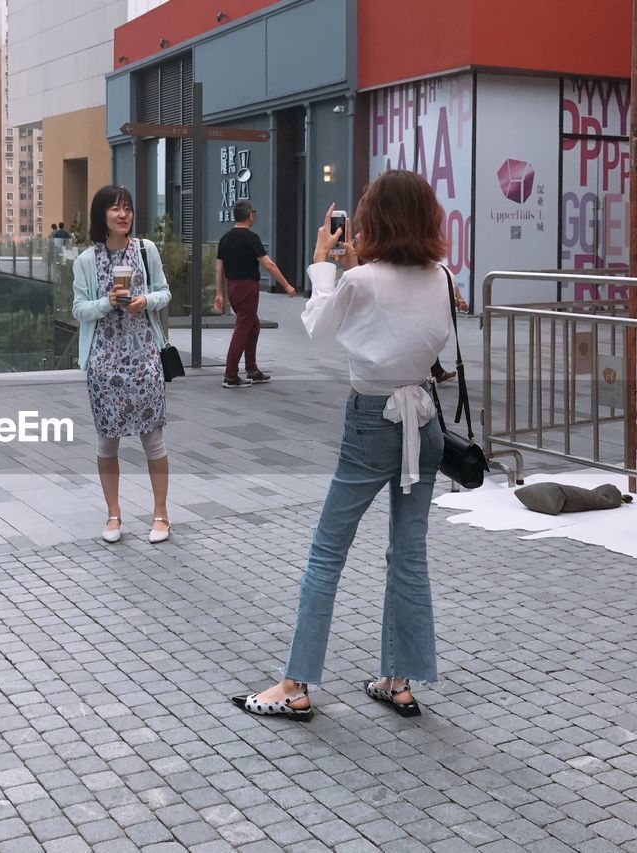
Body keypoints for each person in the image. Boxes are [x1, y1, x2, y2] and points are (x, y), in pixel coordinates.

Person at [231, 170, 453, 721]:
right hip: (422, 422)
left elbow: (319, 326)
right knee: (409, 552)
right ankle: (397, 679)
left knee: (327, 552)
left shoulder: (362, 280)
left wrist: (321, 260)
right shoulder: (442, 275)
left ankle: (296, 683)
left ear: (373, 219)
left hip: (371, 421)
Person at [71, 185, 173, 544]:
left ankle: (161, 515)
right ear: (102, 215)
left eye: (127, 208)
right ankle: (114, 515)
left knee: (153, 439)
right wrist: (107, 303)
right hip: (104, 362)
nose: (123, 214)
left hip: (144, 356)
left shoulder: (146, 250)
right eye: (115, 209)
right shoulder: (86, 260)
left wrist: (145, 300)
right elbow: (78, 309)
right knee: (107, 442)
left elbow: (165, 292)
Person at [213, 200, 296, 389]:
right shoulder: (251, 238)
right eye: (254, 212)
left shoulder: (225, 238)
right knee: (243, 327)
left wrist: (219, 293)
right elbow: (269, 265)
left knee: (252, 326)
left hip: (233, 287)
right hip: (247, 287)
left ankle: (252, 369)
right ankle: (231, 375)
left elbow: (219, 269)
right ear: (250, 215)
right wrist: (286, 285)